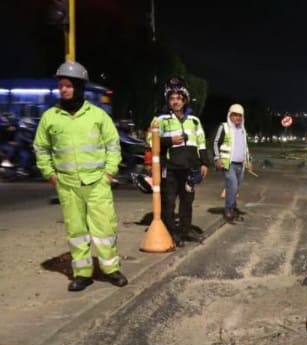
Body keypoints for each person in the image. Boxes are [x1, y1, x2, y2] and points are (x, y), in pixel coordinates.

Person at [33, 61, 127, 292]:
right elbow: (41, 148)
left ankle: (111, 269)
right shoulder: (50, 118)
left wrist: (109, 173)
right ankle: (82, 273)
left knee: (104, 229)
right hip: (67, 185)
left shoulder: (97, 115)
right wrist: (50, 174)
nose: (63, 90)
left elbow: (113, 145)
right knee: (76, 231)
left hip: (97, 183)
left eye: (68, 85)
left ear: (78, 87)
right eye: (61, 86)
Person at [147, 77, 209, 247]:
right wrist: (169, 141)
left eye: (179, 98)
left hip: (190, 168)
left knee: (187, 201)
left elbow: (201, 142)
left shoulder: (194, 120)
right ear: (168, 100)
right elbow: (151, 140)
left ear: (185, 99)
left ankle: (185, 230)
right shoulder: (160, 119)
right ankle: (171, 232)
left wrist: (204, 163)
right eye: (172, 98)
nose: (176, 101)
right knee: (169, 201)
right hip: (171, 168)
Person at [213, 103, 253, 222]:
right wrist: (217, 158)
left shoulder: (242, 130)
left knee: (235, 189)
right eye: (234, 115)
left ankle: (233, 209)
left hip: (241, 164)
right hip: (228, 164)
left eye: (240, 115)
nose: (237, 118)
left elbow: (245, 147)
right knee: (233, 186)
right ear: (230, 115)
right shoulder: (224, 127)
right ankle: (228, 209)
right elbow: (215, 143)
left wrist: (249, 161)